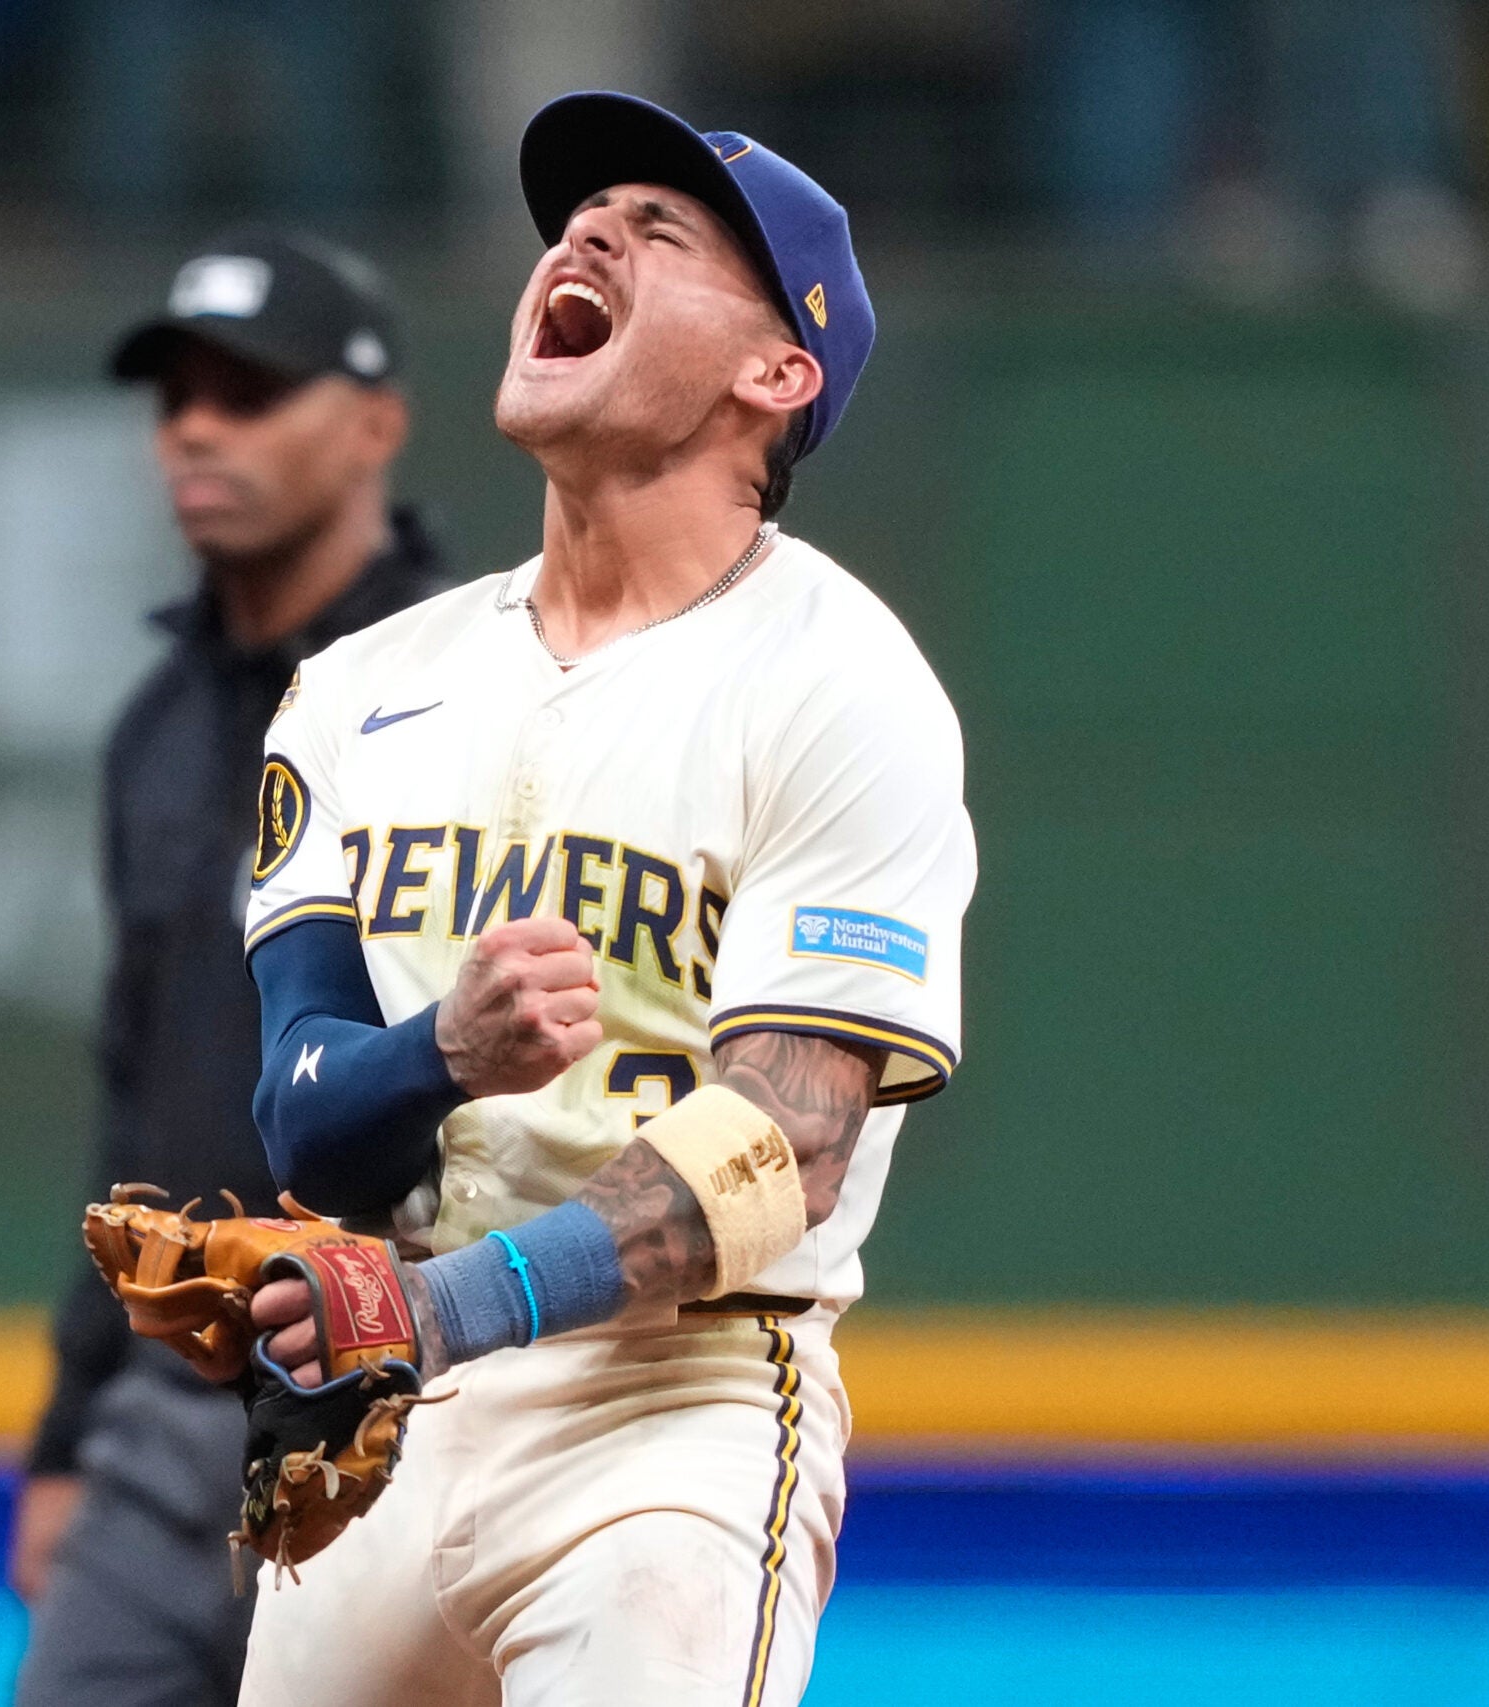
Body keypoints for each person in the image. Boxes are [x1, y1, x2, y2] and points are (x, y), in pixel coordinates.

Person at [227, 91, 976, 1705]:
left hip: (676, 1417)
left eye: (663, 232)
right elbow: (306, 1119)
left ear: (777, 374)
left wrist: (449, 1306)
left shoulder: (840, 686)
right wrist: (439, 1057)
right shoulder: (358, 692)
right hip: (394, 1420)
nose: (582, 238)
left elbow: (788, 1143)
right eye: (579, 222)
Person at [11, 228, 451, 1707]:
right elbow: (136, 1088)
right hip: (173, 1393)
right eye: (176, 395)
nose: (198, 425)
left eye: (251, 391)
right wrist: (70, 1437)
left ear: (378, 421)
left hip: (410, 1380)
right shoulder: (157, 725)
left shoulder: (475, 685)